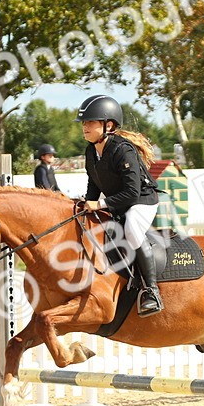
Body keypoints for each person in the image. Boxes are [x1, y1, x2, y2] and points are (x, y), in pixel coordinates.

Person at [77, 94, 164, 316]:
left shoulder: (122, 149)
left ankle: (151, 291)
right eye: (84, 123)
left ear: (109, 125)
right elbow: (94, 185)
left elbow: (132, 192)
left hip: (141, 202)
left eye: (90, 122)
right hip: (117, 202)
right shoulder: (91, 151)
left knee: (132, 228)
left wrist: (101, 204)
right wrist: (87, 204)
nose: (85, 127)